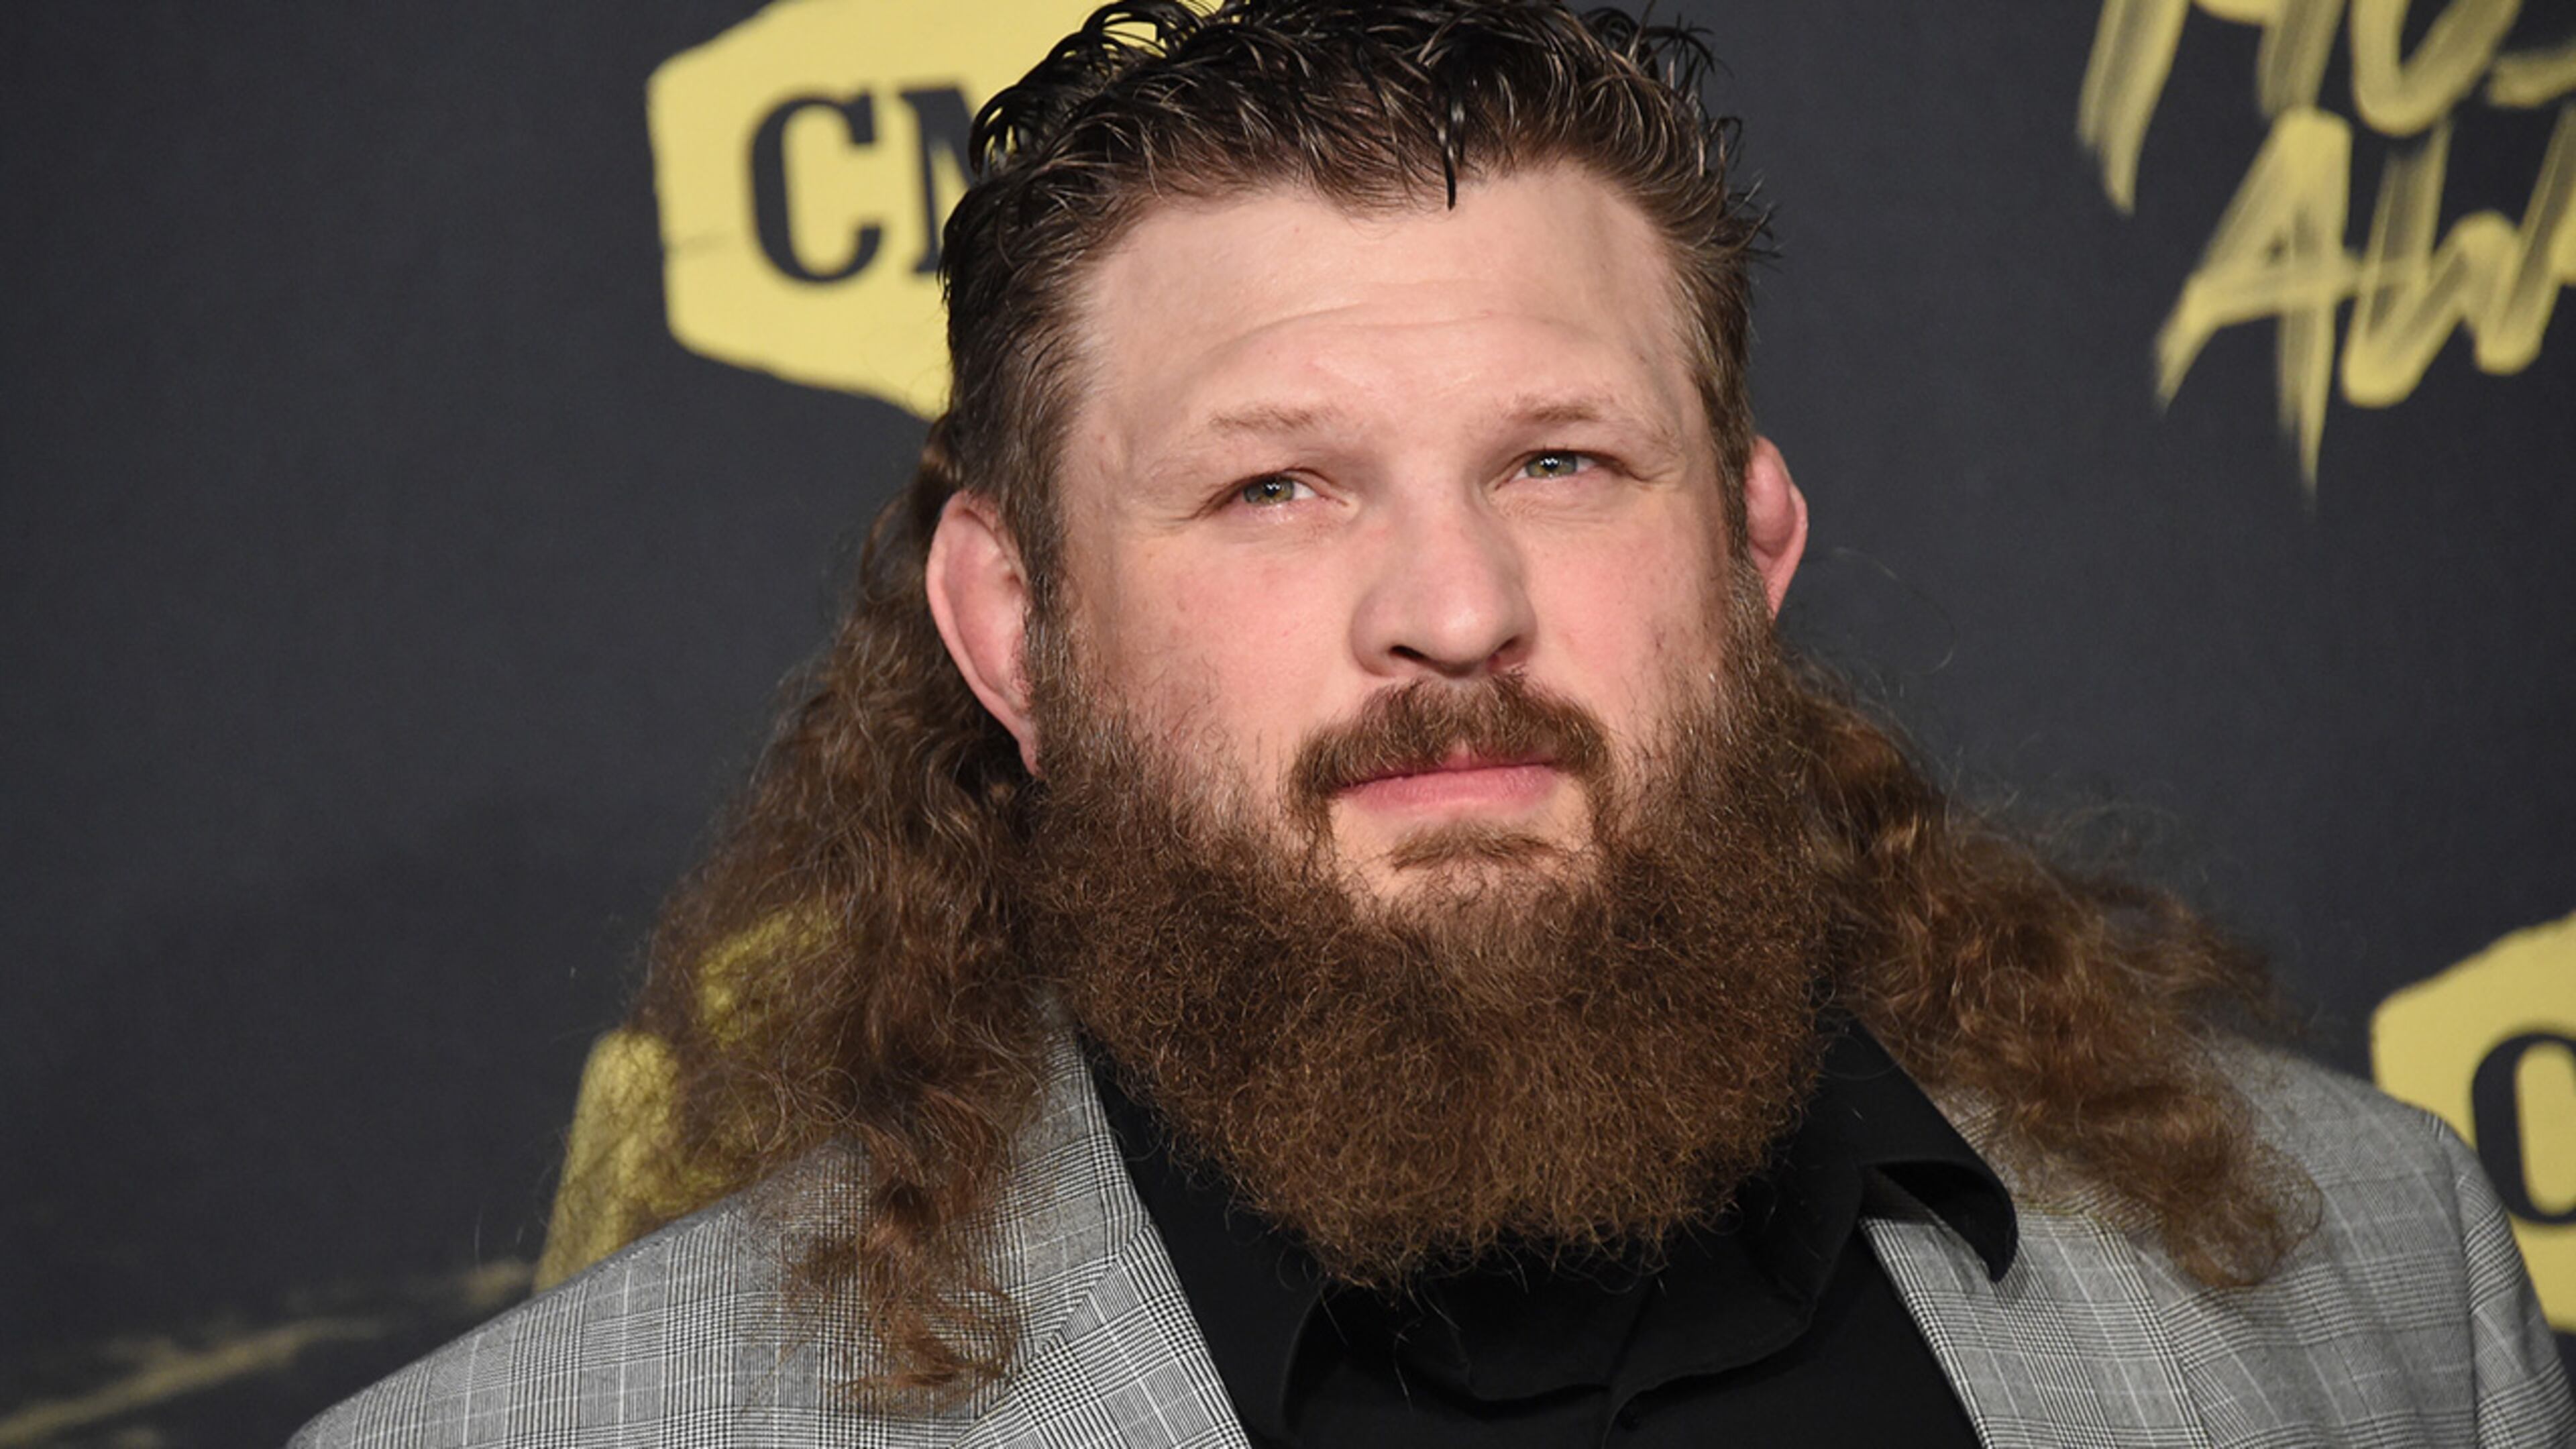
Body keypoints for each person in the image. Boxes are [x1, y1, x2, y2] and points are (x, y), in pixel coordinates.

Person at [297, 1, 2573, 1444]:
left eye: (1564, 462)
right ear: (1013, 630)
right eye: (1277, 486)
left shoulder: (2381, 1283)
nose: (1458, 608)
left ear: (1752, 553)